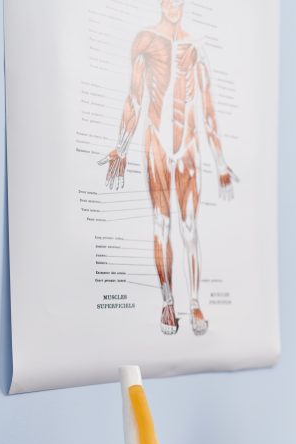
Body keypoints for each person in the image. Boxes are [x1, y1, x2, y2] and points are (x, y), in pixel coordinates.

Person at [100, 0, 238, 337]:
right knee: (161, 224)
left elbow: (207, 109)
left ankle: (193, 301)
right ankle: (167, 301)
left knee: (190, 228)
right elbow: (134, 97)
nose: (173, 5)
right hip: (158, 146)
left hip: (188, 148)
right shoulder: (145, 40)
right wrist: (121, 145)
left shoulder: (196, 48)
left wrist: (221, 163)